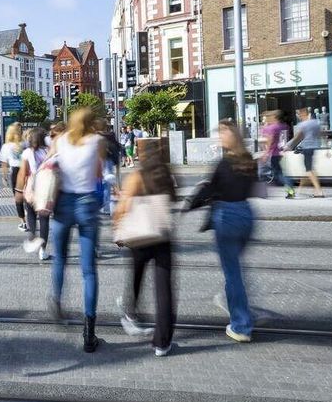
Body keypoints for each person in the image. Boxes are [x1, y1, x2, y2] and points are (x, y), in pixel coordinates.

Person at [185, 120, 260, 343]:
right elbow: (255, 188)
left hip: (227, 217)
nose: (219, 138)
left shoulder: (223, 163)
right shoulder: (249, 162)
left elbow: (212, 190)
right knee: (235, 269)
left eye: (221, 134)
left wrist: (193, 200)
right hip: (247, 214)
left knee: (233, 273)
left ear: (230, 137)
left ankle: (241, 325)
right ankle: (239, 305)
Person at [47, 107, 107, 353]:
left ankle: (57, 300)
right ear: (92, 122)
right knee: (88, 270)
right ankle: (89, 334)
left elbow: (48, 165)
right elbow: (98, 173)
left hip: (63, 204)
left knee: (60, 258)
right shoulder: (97, 141)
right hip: (86, 204)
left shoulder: (60, 140)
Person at [113, 141, 178, 355]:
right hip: (161, 236)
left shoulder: (137, 177)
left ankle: (131, 312)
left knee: (136, 275)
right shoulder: (167, 175)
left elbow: (123, 207)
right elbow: (172, 203)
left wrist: (117, 230)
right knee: (164, 290)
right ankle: (162, 342)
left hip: (139, 238)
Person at [20, 128, 51, 261]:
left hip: (32, 184)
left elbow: (23, 173)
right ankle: (43, 250)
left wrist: (20, 189)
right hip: (45, 184)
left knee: (31, 213)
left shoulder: (27, 153)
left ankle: (33, 235)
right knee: (44, 218)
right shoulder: (48, 152)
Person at [285, 107, 323, 198]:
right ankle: (309, 189)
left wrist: (288, 145)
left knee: (309, 170)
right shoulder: (315, 122)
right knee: (309, 169)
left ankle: (319, 191)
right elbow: (321, 133)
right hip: (314, 147)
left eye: (298, 114)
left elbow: (298, 137)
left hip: (306, 147)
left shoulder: (302, 124)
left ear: (302, 114)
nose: (298, 116)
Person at [258, 110, 295, 198]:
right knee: (277, 173)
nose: (265, 119)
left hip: (272, 154)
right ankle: (290, 189)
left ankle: (289, 188)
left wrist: (266, 153)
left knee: (265, 173)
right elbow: (283, 139)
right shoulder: (283, 126)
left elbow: (268, 141)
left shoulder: (271, 128)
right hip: (278, 152)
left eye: (266, 118)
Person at [0, 124, 25, 225]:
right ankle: (30, 213)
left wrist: (4, 177)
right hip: (26, 170)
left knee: (18, 196)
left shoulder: (6, 146)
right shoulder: (25, 144)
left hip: (15, 171)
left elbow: (4, 163)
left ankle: (23, 221)